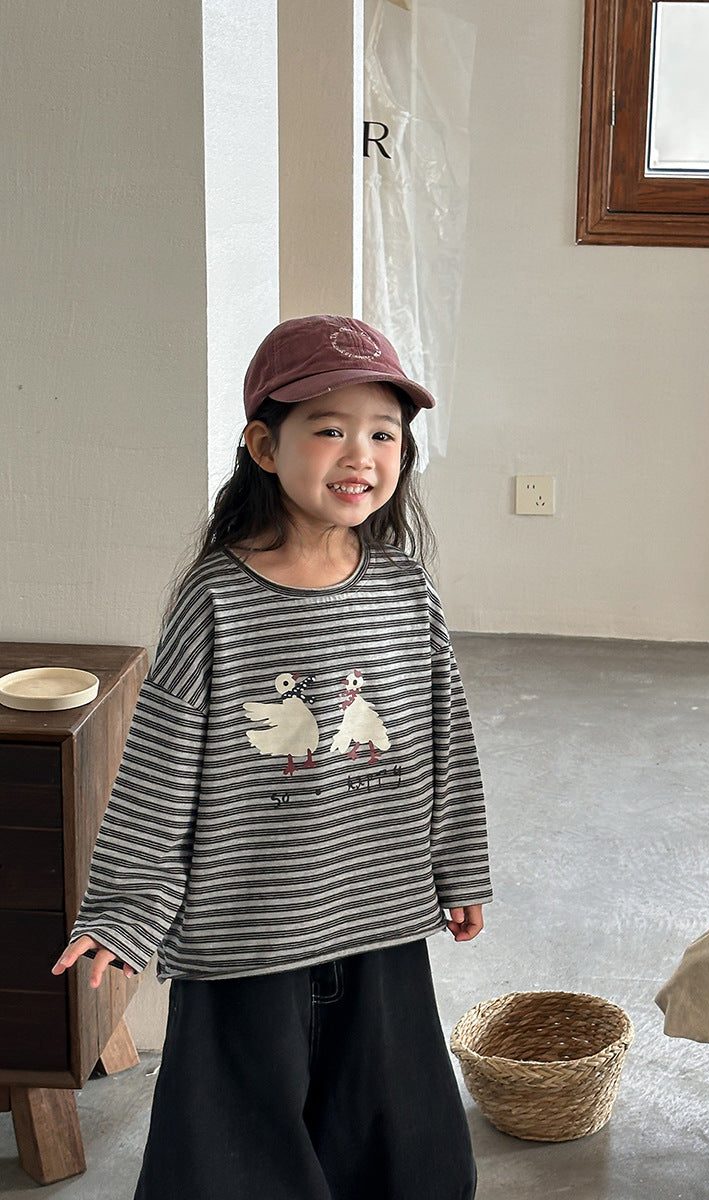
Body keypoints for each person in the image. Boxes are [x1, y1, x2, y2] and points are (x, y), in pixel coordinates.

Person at [52, 316, 493, 1200]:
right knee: (235, 1155)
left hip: (377, 913)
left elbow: (447, 735)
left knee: (398, 1141)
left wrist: (459, 866)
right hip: (246, 928)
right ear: (264, 445)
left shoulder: (406, 587)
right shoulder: (216, 596)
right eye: (330, 429)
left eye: (384, 434)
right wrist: (128, 908)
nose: (360, 454)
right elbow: (161, 762)